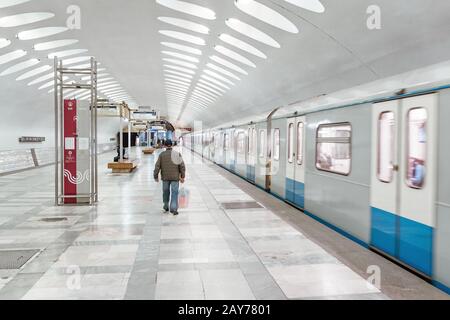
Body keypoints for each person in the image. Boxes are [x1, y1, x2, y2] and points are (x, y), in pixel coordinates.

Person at [154, 140, 186, 215]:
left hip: (165, 177)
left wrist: (155, 176)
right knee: (174, 192)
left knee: (165, 192)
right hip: (175, 177)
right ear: (171, 145)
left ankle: (165, 206)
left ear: (165, 146)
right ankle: (174, 208)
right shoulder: (177, 154)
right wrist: (182, 176)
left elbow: (157, 166)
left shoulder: (162, 155)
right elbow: (182, 166)